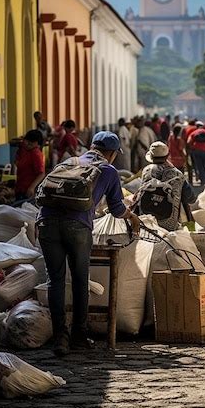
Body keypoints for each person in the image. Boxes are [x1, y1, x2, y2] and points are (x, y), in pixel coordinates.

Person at [37, 131, 141, 357]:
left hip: (46, 222)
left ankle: (59, 339)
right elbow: (116, 209)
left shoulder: (69, 162)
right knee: (80, 279)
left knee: (55, 280)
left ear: (92, 146)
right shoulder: (108, 170)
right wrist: (132, 217)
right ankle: (79, 337)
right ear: (112, 153)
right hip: (77, 226)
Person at [135, 141, 195, 231]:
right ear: (167, 156)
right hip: (170, 225)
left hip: (147, 222)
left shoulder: (146, 171)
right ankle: (190, 229)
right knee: (183, 200)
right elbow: (190, 198)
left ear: (151, 157)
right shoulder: (178, 174)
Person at [14, 130, 45, 201]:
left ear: (37, 144)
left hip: (28, 191)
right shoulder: (25, 150)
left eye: (31, 143)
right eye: (27, 141)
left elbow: (41, 174)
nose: (27, 144)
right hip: (20, 188)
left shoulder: (36, 154)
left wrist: (32, 187)